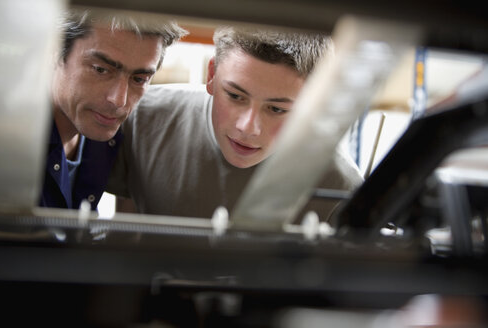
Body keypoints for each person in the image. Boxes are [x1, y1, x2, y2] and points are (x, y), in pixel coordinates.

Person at [107, 26, 363, 223]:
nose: (247, 127)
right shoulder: (138, 120)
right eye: (235, 96)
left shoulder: (340, 186)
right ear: (212, 75)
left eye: (276, 109)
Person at [39, 9, 187, 210]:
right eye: (100, 70)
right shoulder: (11, 139)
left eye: (139, 79)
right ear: (54, 52)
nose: (118, 100)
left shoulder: (104, 135)